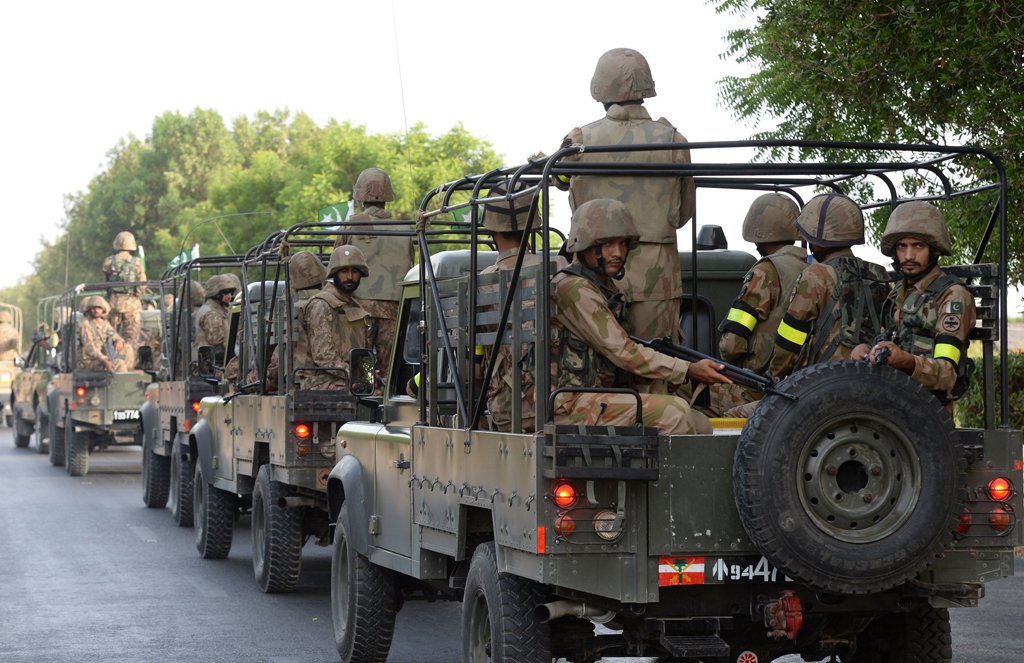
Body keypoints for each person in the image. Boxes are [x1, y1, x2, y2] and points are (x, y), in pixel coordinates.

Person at [556, 48, 696, 392]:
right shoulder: (674, 140)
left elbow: (558, 182)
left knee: (594, 369)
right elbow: (683, 215)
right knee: (657, 370)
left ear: (601, 88)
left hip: (592, 270)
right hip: (657, 274)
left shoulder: (580, 141)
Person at [550, 199, 730, 435]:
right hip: (570, 404)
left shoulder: (602, 287)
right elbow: (623, 352)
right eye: (607, 244)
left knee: (699, 423)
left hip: (592, 397)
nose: (618, 252)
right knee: (675, 414)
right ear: (584, 244)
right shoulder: (574, 289)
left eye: (623, 243)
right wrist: (687, 369)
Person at [852, 202, 976, 411]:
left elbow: (947, 375)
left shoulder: (952, 297)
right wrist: (868, 353)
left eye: (918, 246)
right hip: (893, 403)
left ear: (935, 250)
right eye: (902, 246)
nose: (909, 256)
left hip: (928, 414)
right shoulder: (898, 292)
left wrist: (907, 362)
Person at [767, 193, 890, 380]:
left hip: (823, 383)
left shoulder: (817, 275)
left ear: (819, 238)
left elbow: (790, 339)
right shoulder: (879, 273)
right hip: (871, 379)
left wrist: (774, 375)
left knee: (734, 411)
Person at [710, 194, 807, 415]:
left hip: (757, 386)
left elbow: (731, 345)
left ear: (758, 231)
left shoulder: (766, 270)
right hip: (796, 380)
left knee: (684, 389)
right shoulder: (813, 269)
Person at [475, 181, 552, 432]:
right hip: (561, 401)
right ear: (533, 226)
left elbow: (473, 362)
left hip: (506, 408)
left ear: (492, 231)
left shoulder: (482, 282)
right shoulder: (556, 269)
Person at [334, 167, 414, 376]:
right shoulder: (405, 229)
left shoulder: (351, 225)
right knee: (391, 373)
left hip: (359, 310)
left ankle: (365, 399)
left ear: (360, 195)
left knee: (361, 370)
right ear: (387, 196)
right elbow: (411, 267)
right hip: (396, 312)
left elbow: (336, 264)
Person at [300, 245, 376, 391]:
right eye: (344, 271)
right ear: (334, 273)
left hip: (348, 380)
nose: (349, 277)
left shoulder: (357, 306)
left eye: (355, 271)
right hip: (321, 383)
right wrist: (357, 375)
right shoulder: (321, 304)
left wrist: (368, 377)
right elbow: (323, 355)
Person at [264, 251, 327, 391]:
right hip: (342, 380)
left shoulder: (290, 306)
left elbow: (280, 355)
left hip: (301, 383)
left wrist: (271, 378)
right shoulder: (336, 300)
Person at [102, 231, 147, 353]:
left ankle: (112, 360)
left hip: (113, 303)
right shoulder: (137, 262)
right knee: (131, 338)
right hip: (132, 304)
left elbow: (106, 282)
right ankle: (129, 362)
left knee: (111, 335)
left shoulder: (108, 261)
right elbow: (142, 284)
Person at [76, 295, 127, 373]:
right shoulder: (84, 324)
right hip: (89, 361)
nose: (96, 310)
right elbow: (90, 347)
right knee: (119, 364)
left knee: (127, 349)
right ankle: (123, 384)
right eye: (94, 308)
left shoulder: (104, 323)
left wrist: (118, 341)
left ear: (103, 309)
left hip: (101, 358)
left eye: (99, 308)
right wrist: (104, 360)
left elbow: (113, 335)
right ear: (89, 309)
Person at [194, 273, 240, 350]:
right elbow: (218, 347)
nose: (229, 296)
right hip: (214, 360)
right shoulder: (212, 314)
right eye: (225, 292)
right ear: (215, 294)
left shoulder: (220, 309)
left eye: (231, 292)